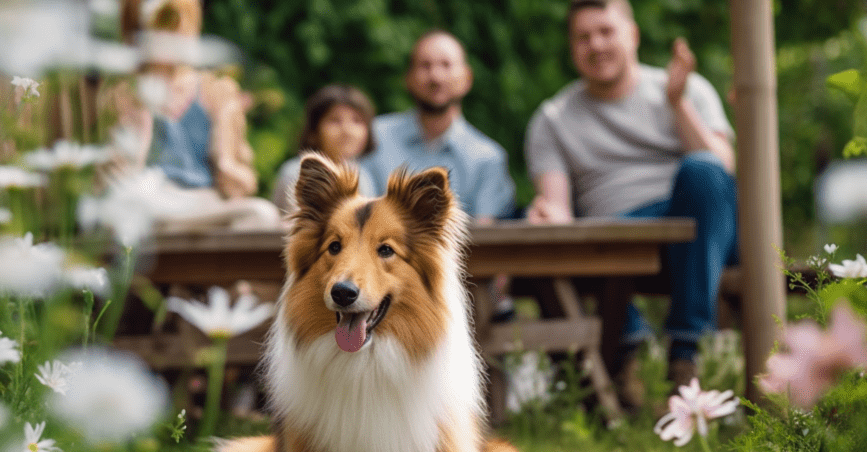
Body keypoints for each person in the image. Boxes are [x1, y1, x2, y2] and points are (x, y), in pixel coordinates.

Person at [524, 0, 737, 407]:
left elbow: (721, 170)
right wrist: (548, 213)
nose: (596, 45)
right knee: (555, 233)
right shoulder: (553, 118)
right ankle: (630, 349)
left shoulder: (687, 88)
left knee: (702, 171)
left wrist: (678, 104)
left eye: (606, 31)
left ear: (632, 35)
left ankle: (685, 356)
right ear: (572, 48)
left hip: (697, 225)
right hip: (613, 234)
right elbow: (560, 212)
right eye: (583, 37)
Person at [114, 0, 280, 232]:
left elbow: (241, 181)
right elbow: (120, 176)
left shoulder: (215, 90)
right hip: (152, 202)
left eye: (173, 24)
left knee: (261, 214)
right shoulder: (126, 93)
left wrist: (226, 164)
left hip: (204, 204)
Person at [364, 30, 516, 224]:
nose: (435, 76)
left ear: (467, 78)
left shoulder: (489, 159)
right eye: (425, 66)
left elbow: (483, 240)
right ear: (408, 78)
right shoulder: (373, 136)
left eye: (446, 65)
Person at [271, 84, 377, 214]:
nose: (347, 130)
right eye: (335, 121)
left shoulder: (362, 176)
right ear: (313, 132)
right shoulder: (298, 173)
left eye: (357, 121)